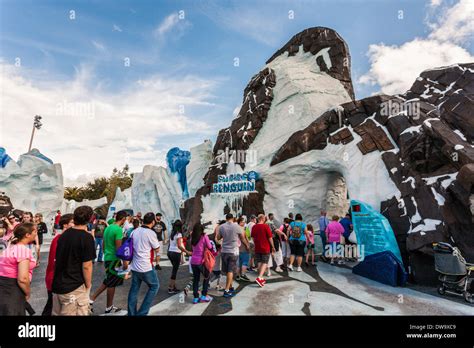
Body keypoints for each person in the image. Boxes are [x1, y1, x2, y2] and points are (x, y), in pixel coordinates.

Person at [52, 206, 96, 316]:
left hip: (59, 285)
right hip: (74, 287)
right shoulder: (86, 237)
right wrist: (88, 284)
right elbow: (87, 265)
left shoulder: (64, 235)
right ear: (90, 219)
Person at [90, 210, 128, 314]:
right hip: (114, 260)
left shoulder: (108, 228)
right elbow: (119, 248)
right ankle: (109, 307)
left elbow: (103, 245)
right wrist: (125, 262)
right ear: (123, 219)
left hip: (108, 257)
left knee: (108, 281)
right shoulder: (118, 230)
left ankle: (91, 300)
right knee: (112, 284)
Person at [0, 223, 37, 315]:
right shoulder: (22, 250)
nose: (36, 234)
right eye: (35, 232)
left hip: (4, 287)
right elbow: (23, 279)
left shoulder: (11, 247)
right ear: (27, 235)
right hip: (13, 289)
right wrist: (28, 292)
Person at [127, 212, 160, 316]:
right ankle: (142, 313)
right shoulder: (151, 233)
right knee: (154, 286)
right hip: (146, 266)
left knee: (134, 290)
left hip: (135, 266)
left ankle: (131, 313)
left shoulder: (135, 231)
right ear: (153, 222)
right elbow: (157, 249)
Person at [42, 214, 74, 316]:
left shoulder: (61, 238)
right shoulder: (60, 240)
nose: (75, 224)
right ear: (65, 225)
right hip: (56, 279)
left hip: (56, 279)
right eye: (73, 222)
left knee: (51, 307)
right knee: (52, 308)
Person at [216, 213, 248, 298]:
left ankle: (230, 287)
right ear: (233, 218)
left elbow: (218, 238)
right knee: (230, 271)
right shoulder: (236, 226)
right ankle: (226, 290)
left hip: (224, 251)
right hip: (233, 252)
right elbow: (242, 238)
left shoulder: (222, 227)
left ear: (226, 218)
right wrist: (247, 246)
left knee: (226, 271)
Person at [190, 223, 214, 304]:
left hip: (193, 261)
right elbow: (210, 247)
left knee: (196, 279)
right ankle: (203, 296)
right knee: (206, 277)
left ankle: (195, 298)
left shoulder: (192, 236)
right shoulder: (204, 236)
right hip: (201, 261)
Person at [167, 220, 191, 294]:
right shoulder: (179, 234)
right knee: (174, 271)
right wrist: (187, 252)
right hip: (176, 253)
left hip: (170, 252)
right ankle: (170, 288)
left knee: (174, 269)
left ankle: (173, 287)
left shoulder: (172, 233)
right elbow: (179, 246)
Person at [251, 214, 275, 288]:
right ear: (262, 218)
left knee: (259, 262)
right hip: (265, 247)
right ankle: (260, 277)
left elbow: (252, 237)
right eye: (264, 218)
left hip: (257, 247)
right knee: (265, 262)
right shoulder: (265, 226)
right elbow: (270, 238)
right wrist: (273, 247)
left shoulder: (254, 226)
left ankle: (260, 278)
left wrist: (255, 244)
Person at [236, 217, 251, 282]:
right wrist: (247, 245)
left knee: (239, 262)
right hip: (242, 247)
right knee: (245, 261)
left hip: (236, 247)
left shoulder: (235, 228)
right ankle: (243, 274)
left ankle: (237, 275)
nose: (244, 223)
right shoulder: (241, 228)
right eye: (243, 221)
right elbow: (242, 238)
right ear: (241, 222)